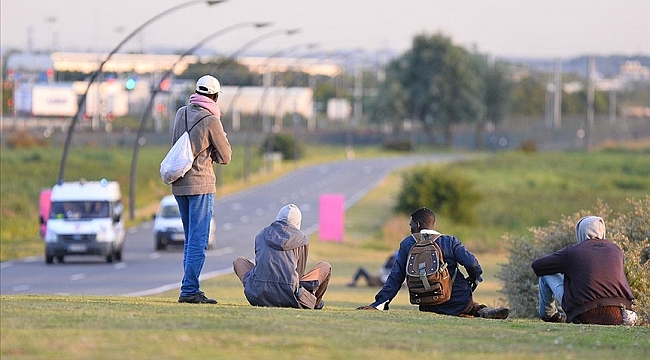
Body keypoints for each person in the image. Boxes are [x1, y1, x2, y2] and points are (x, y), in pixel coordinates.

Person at [357, 207, 509, 319]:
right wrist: (474, 278)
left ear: (417, 224)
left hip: (427, 304)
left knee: (461, 307)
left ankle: (476, 311)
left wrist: (379, 304)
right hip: (457, 300)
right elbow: (472, 264)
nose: (410, 230)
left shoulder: (407, 243)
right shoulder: (449, 241)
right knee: (470, 305)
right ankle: (480, 311)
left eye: (411, 226)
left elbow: (395, 277)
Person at [172, 75, 232, 304]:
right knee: (199, 239)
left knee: (190, 239)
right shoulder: (211, 120)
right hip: (200, 183)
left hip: (179, 183)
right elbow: (225, 156)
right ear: (215, 96)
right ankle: (189, 290)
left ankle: (188, 286)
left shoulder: (181, 113)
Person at [531, 215, 638, 325]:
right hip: (617, 315)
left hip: (584, 315)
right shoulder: (616, 250)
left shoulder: (573, 251)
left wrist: (565, 268)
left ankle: (550, 315)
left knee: (546, 274)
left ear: (580, 232)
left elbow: (537, 266)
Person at [233, 204, 332, 309]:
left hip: (258, 295)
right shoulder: (302, 239)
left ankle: (259, 290)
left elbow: (260, 264)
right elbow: (299, 273)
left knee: (239, 262)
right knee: (325, 266)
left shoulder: (261, 234)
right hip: (290, 297)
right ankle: (314, 302)